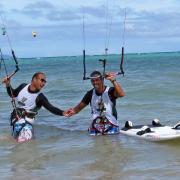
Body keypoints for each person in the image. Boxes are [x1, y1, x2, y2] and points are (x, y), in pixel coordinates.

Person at [2, 72, 67, 142]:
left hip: (27, 126)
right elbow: (12, 94)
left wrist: (63, 113)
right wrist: (8, 84)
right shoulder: (23, 86)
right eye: (42, 80)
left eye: (45, 82)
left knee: (23, 145)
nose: (43, 84)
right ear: (34, 79)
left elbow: (51, 108)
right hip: (16, 122)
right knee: (14, 145)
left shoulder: (40, 97)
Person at [65, 70, 125, 135]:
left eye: (97, 80)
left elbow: (121, 94)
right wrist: (70, 112)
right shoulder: (90, 94)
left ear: (102, 80)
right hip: (95, 126)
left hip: (111, 125)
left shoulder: (110, 91)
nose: (95, 83)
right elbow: (78, 108)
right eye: (92, 81)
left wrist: (113, 80)